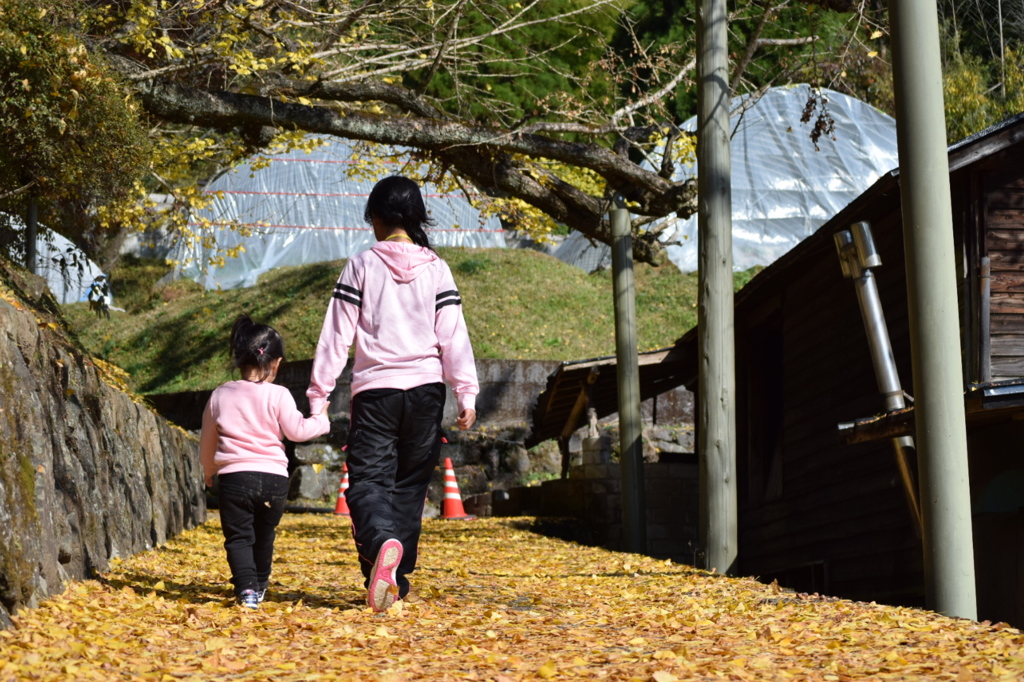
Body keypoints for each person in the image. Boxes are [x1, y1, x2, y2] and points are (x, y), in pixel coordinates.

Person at [307, 175, 479, 612]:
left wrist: (318, 394)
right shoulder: (437, 268)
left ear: (376, 219)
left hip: (377, 392)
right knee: (408, 487)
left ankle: (383, 544)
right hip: (425, 392)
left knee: (367, 483)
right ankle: (392, 582)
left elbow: (335, 337)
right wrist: (466, 393)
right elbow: (453, 336)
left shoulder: (362, 264)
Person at [200, 315, 330, 609]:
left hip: (235, 478)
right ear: (276, 363)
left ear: (240, 358)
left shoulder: (220, 394)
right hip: (274, 480)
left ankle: (246, 590)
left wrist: (209, 471)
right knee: (264, 535)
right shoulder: (280, 395)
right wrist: (321, 421)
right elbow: (297, 431)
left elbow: (208, 440)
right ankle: (259, 584)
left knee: (238, 538)